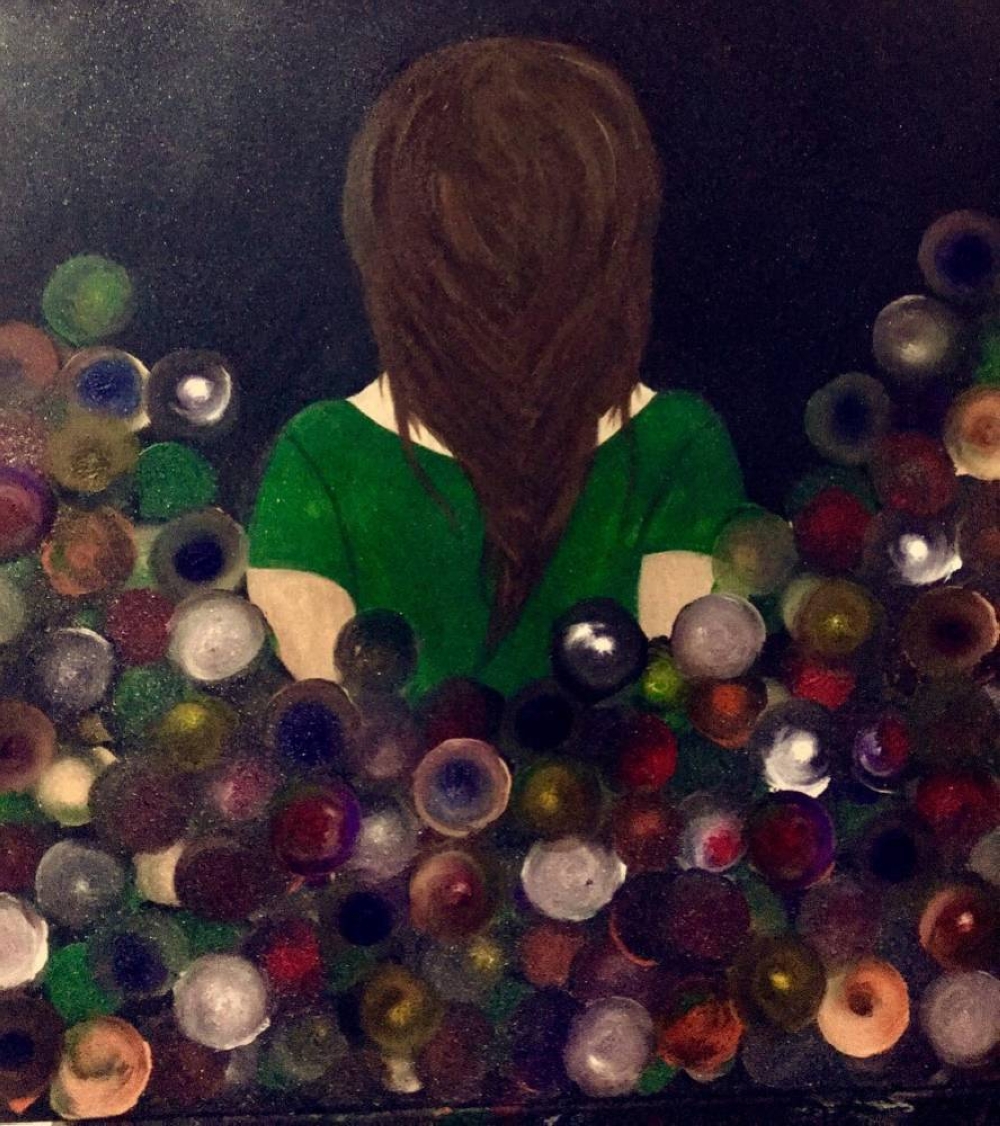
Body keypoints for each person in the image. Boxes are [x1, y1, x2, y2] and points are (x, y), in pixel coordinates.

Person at [247, 36, 756, 700]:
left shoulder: (321, 455)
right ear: (614, 247)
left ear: (388, 246)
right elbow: (664, 704)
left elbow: (335, 725)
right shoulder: (678, 446)